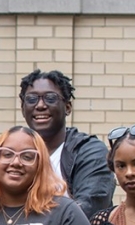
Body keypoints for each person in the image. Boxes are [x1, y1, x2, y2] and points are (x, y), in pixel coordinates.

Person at [18, 69, 113, 217]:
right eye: (32, 99)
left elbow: (89, 206)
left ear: (68, 107)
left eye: (50, 98)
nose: (40, 105)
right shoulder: (14, 155)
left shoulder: (89, 151)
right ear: (23, 109)